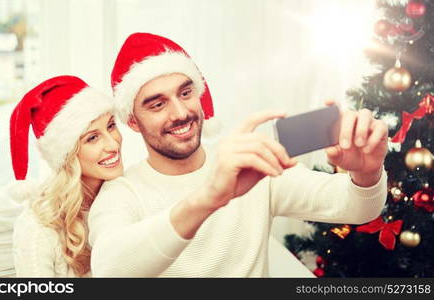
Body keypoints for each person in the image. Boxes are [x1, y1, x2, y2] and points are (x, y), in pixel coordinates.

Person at [88, 33, 388, 277]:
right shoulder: (121, 193)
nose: (180, 113)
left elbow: (358, 209)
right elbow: (110, 270)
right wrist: (208, 197)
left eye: (185, 93)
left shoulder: (249, 160)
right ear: (132, 122)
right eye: (157, 105)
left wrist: (367, 172)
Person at [9, 75, 123, 277]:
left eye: (111, 126)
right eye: (93, 138)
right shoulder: (37, 227)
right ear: (67, 154)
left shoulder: (128, 194)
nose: (114, 145)